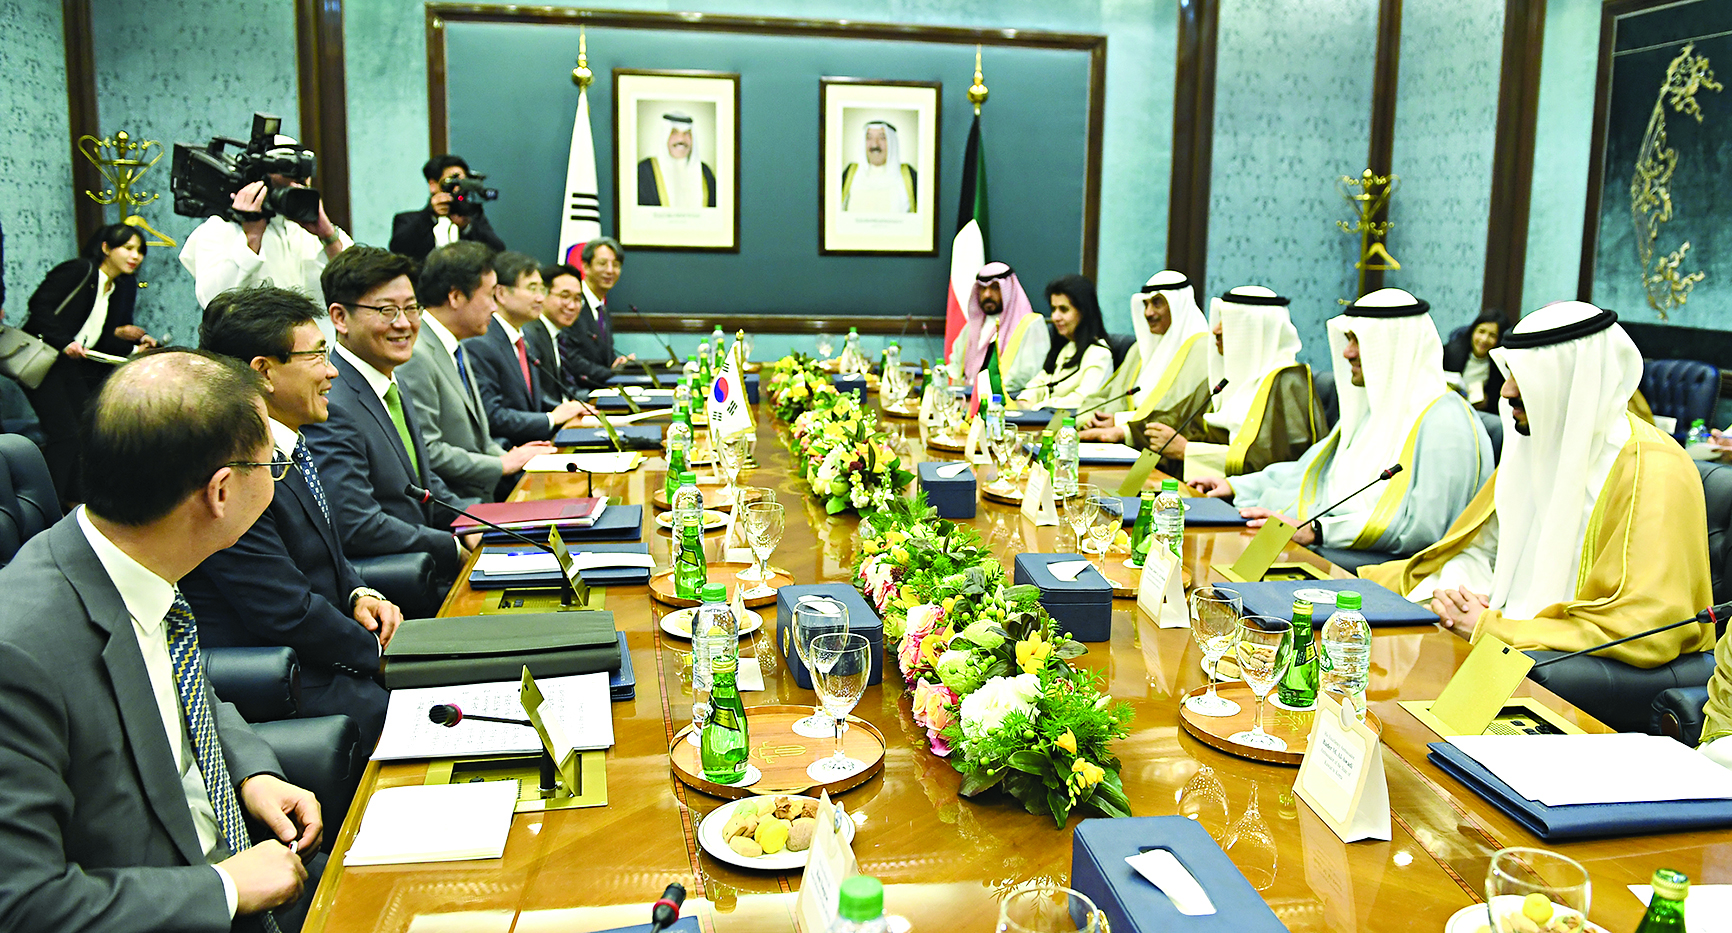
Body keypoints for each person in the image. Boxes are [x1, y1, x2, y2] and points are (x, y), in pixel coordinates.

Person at [0, 349, 322, 932]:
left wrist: (252, 772)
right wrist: (225, 889)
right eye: (271, 462)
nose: (277, 474)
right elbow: (24, 904)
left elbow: (183, 691)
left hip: (242, 857)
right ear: (221, 491)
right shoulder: (19, 655)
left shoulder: (135, 560)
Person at [1363, 301, 1716, 667]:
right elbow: (1485, 551)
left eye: (1522, 378)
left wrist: (1491, 628)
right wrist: (1457, 596)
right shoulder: (1534, 443)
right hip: (1492, 643)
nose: (1506, 391)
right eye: (1508, 374)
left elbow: (1645, 628)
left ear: (1569, 381)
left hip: (1566, 674)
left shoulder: (1654, 468)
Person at [184, 287, 404, 753]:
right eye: (318, 356)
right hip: (285, 680)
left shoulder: (291, 444)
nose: (332, 371)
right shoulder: (233, 469)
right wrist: (380, 653)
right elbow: (284, 612)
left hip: (329, 654)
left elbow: (324, 552)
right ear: (263, 371)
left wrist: (359, 592)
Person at [1189, 289, 1493, 556]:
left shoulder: (1445, 424)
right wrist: (1235, 486)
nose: (1347, 353)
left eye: (1358, 341)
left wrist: (1318, 531)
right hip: (1322, 540)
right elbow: (1310, 473)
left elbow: (1421, 529)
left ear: (1394, 346)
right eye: (1348, 340)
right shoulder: (1375, 407)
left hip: (1372, 562)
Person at [300, 246, 475, 587]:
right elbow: (357, 524)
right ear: (339, 317)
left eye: (411, 308)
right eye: (387, 310)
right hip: (397, 587)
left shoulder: (391, 379)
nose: (404, 323)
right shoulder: (331, 403)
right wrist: (451, 546)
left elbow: (421, 482)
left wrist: (473, 520)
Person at [1107, 286, 1323, 479]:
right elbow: (1179, 418)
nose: (1216, 330)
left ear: (1254, 329)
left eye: (1227, 322)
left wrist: (1187, 451)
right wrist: (1123, 432)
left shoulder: (1288, 383)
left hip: (1243, 498)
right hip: (1200, 482)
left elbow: (1279, 463)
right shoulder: (1225, 378)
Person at [393, 243, 552, 504]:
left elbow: (479, 439)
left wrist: (513, 457)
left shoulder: (457, 343)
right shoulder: (416, 354)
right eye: (489, 295)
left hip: (482, 494)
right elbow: (427, 451)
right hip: (455, 506)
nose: (494, 307)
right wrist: (502, 464)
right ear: (456, 297)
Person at [22, 223, 160, 502]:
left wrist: (137, 347)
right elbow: (39, 306)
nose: (135, 256)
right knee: (65, 434)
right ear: (106, 248)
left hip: (71, 363)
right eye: (128, 248)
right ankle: (45, 504)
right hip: (45, 358)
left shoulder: (118, 287)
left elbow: (104, 338)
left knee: (88, 428)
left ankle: (75, 500)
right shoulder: (80, 270)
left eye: (140, 251)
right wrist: (64, 341)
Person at [179, 134, 353, 316]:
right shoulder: (220, 228)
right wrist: (252, 239)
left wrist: (328, 236)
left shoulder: (313, 229)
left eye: (303, 176)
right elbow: (213, 302)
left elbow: (358, 287)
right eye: (288, 172)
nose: (297, 184)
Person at [466, 251, 589, 448]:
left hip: (537, 444)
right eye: (532, 289)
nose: (540, 298)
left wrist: (571, 409)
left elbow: (534, 401)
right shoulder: (481, 342)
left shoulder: (525, 337)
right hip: (510, 451)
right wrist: (550, 419)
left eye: (542, 290)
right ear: (501, 293)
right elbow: (492, 415)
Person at [1079, 270, 1210, 437]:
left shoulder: (1202, 351)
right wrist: (1091, 419)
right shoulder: (1140, 348)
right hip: (1115, 437)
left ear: (1178, 305)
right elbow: (1107, 395)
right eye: (1146, 304)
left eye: (1157, 303)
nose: (1148, 313)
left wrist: (1119, 422)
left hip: (1153, 444)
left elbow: (1178, 413)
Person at [945, 262, 1050, 395]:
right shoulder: (972, 326)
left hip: (1010, 399)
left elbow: (1028, 375)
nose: (987, 294)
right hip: (970, 397)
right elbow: (955, 365)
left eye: (995, 288)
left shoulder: (1031, 325)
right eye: (983, 288)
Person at [388, 154, 506, 265]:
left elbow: (498, 252)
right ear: (433, 185)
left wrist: (467, 228)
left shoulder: (472, 218)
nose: (458, 188)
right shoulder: (407, 220)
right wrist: (430, 216)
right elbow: (398, 250)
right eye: (453, 181)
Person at [1017, 275, 1113, 409]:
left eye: (1064, 309)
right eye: (1053, 309)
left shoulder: (1099, 354)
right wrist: (1025, 399)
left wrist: (1039, 406)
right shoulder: (1066, 345)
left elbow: (1083, 399)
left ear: (1084, 312)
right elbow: (1041, 380)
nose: (1055, 317)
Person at [557, 238, 633, 389]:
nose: (610, 270)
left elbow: (603, 356)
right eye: (602, 264)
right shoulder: (572, 305)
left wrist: (620, 365)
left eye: (616, 265)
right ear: (585, 266)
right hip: (578, 391)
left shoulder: (601, 306)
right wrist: (613, 374)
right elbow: (570, 358)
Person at [530, 262, 584, 407]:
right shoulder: (531, 335)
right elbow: (538, 395)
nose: (572, 306)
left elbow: (565, 389)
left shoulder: (560, 335)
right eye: (565, 296)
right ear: (543, 294)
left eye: (577, 299)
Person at [636, 112, 717, 208]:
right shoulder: (644, 171)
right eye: (674, 132)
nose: (681, 139)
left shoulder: (705, 172)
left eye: (687, 133)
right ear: (664, 136)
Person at [841, 121, 916, 213]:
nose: (875, 144)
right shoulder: (851, 173)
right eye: (869, 138)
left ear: (892, 143)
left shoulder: (907, 176)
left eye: (882, 138)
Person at [1442, 308, 1505, 411]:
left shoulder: (1501, 364)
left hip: (1479, 413)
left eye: (1492, 335)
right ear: (1472, 331)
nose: (1484, 339)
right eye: (1481, 331)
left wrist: (1488, 403)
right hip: (1448, 406)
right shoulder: (1451, 352)